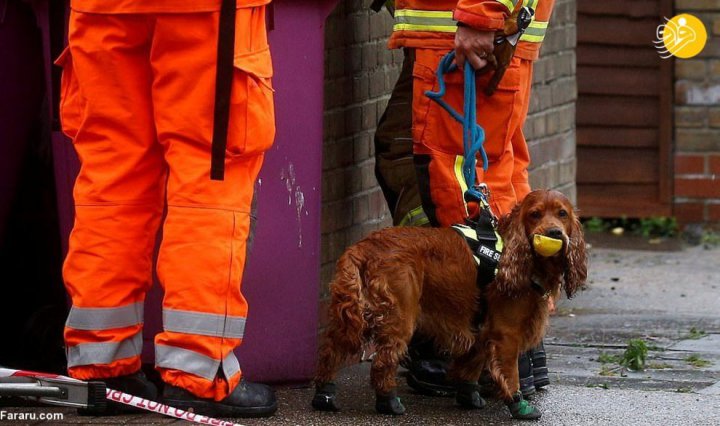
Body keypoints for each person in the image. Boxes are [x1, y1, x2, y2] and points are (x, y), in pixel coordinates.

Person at [57, 0, 277, 417]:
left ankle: (101, 366)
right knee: (210, 176)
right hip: (209, 14)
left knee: (112, 178)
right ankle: (196, 372)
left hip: (101, 10)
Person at [373, 0, 555, 415]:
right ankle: (516, 346)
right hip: (469, 38)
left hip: (468, 39)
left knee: (462, 194)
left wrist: (480, 16)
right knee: (490, 177)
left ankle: (484, 351)